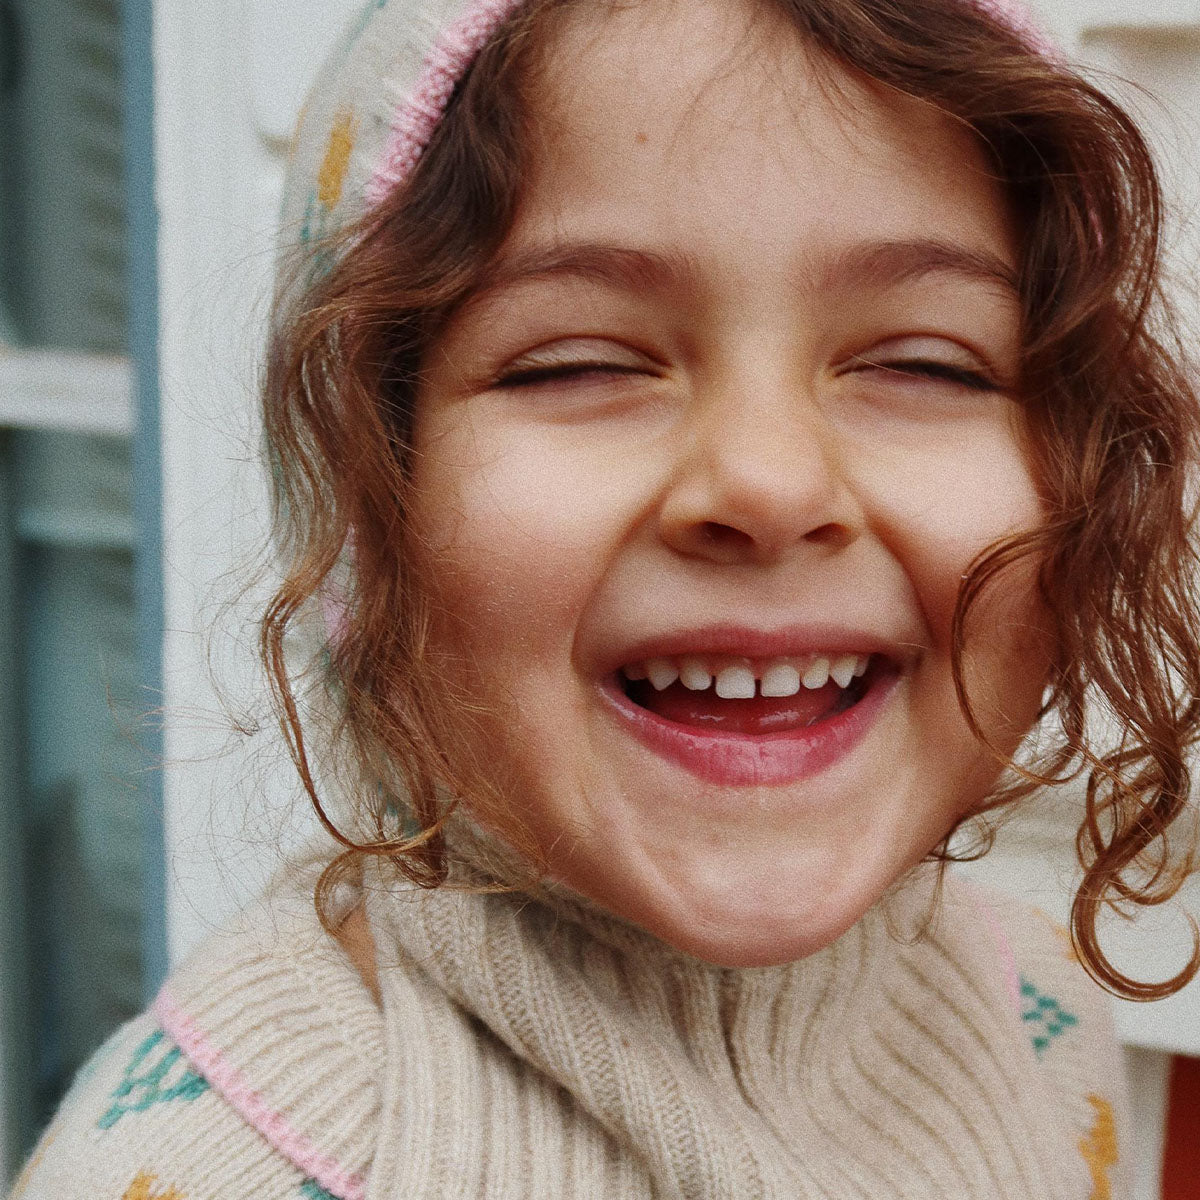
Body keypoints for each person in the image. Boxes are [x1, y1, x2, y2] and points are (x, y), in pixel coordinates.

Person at [13, 0, 1200, 1196]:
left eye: (924, 363)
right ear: (369, 504)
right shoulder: (200, 1168)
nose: (770, 483)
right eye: (578, 362)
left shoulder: (1036, 1013)